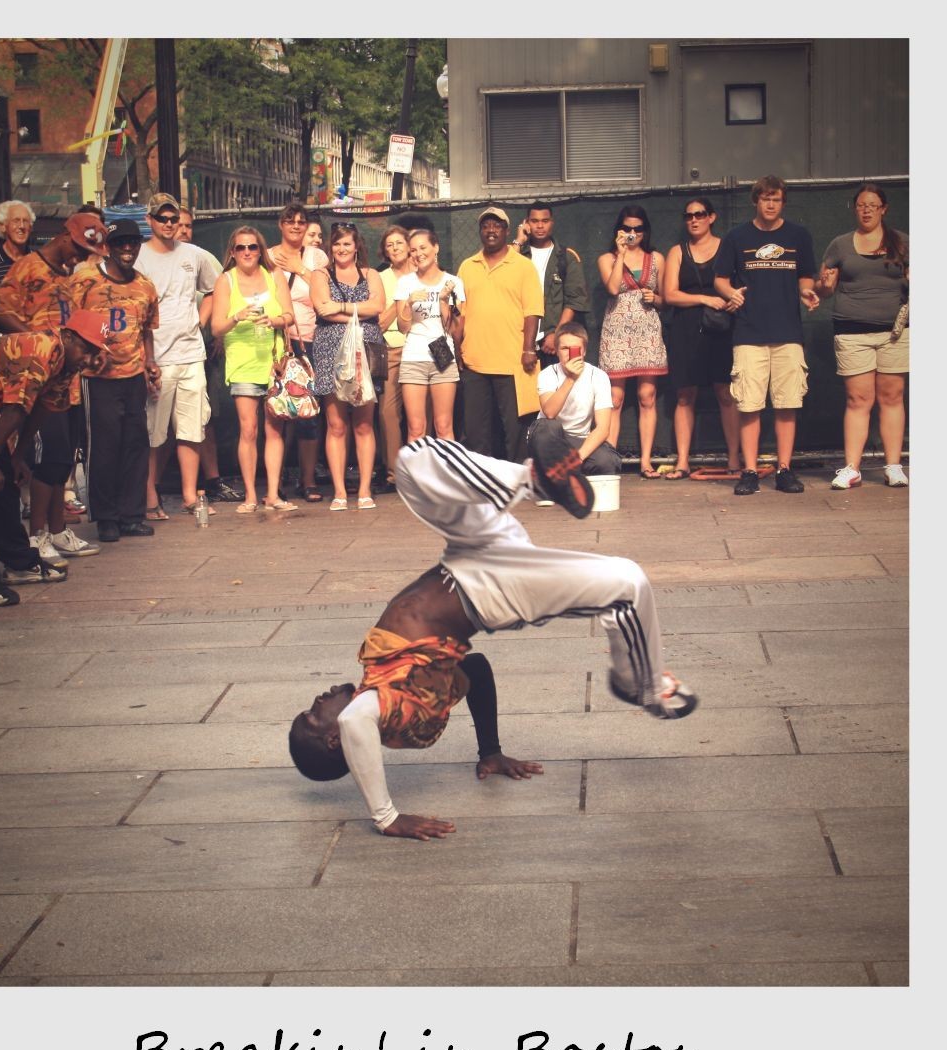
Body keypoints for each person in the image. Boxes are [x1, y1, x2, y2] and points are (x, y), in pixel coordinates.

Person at [288, 434, 697, 840]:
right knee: (627, 581)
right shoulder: (395, 711)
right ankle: (639, 683)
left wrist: (490, 751)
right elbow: (354, 721)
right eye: (312, 713)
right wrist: (386, 816)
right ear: (332, 741)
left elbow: (477, 671)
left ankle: (533, 479)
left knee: (414, 459)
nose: (320, 698)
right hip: (493, 588)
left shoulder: (389, 683)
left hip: (468, 553)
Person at [0, 311, 108, 607]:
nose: (90, 357)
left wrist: (15, 456)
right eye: (86, 348)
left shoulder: (67, 362)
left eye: (95, 351)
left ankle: (18, 562)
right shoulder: (41, 351)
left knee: (5, 489)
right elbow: (14, 408)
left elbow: (42, 408)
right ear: (67, 337)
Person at [0, 212, 110, 563]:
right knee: (48, 456)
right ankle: (37, 534)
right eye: (80, 248)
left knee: (63, 459)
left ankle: (58, 531)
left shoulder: (67, 274)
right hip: (37, 375)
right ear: (65, 237)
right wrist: (36, 338)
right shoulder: (28, 266)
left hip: (65, 377)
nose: (80, 257)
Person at [714, 175, 820, 496]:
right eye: (765, 198)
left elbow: (806, 279)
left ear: (783, 202)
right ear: (755, 201)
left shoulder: (799, 235)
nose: (770, 204)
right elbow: (720, 280)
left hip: (788, 334)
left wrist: (808, 294)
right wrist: (732, 293)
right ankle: (749, 471)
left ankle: (784, 470)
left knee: (787, 404)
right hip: (748, 333)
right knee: (749, 405)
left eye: (776, 199)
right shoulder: (736, 237)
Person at [68, 217, 161, 541]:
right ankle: (105, 517)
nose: (126, 249)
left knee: (135, 445)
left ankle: (131, 515)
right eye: (120, 243)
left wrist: (150, 364)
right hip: (98, 377)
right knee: (103, 448)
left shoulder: (145, 285)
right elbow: (70, 326)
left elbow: (147, 329)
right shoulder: (85, 280)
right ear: (107, 247)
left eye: (132, 243)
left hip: (133, 374)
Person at [816, 183, 909, 489]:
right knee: (859, 399)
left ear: (884, 209)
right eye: (861, 205)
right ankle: (852, 468)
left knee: (892, 397)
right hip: (852, 333)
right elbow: (824, 290)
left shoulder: (904, 244)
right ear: (854, 209)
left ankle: (893, 466)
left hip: (895, 334)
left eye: (873, 205)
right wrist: (826, 285)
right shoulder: (840, 245)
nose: (867, 210)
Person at [136, 192, 220, 516]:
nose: (169, 224)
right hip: (156, 355)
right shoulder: (139, 257)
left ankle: (190, 496)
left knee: (191, 427)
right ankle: (149, 497)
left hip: (190, 354)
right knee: (154, 432)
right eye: (162, 218)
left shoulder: (195, 254)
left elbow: (214, 288)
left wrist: (201, 322)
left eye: (174, 219)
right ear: (150, 221)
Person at [211, 225, 296, 514]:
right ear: (232, 253)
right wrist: (238, 316)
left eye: (252, 247)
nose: (247, 252)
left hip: (274, 361)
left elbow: (289, 315)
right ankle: (250, 495)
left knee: (275, 430)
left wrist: (273, 321)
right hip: (243, 361)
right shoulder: (226, 280)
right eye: (240, 248)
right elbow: (216, 327)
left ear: (260, 250)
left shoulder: (274, 276)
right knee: (248, 429)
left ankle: (272, 494)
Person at [661, 197, 741, 479]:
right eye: (688, 216)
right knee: (685, 395)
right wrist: (705, 299)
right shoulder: (677, 252)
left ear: (712, 217)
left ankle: (734, 460)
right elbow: (669, 294)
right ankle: (682, 461)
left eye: (700, 214)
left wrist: (732, 300)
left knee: (725, 392)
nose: (693, 220)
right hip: (686, 329)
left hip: (721, 329)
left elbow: (740, 285)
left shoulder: (727, 246)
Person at [456, 205, 543, 462]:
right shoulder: (467, 266)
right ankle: (482, 479)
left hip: (513, 361)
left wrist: (529, 349)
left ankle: (519, 477)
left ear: (506, 230)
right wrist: (457, 349)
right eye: (485, 226)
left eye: (496, 225)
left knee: (515, 429)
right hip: (475, 361)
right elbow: (460, 313)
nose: (491, 230)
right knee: (476, 430)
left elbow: (533, 311)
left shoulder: (523, 266)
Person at [310, 222, 385, 512]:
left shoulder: (371, 274)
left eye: (347, 244)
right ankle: (339, 490)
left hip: (365, 352)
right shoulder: (320, 275)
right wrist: (359, 312)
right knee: (336, 424)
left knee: (364, 423)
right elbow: (320, 308)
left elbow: (377, 307)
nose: (342, 249)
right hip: (330, 349)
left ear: (356, 247)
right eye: (337, 244)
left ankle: (365, 488)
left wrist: (341, 309)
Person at [176, 206, 244, 507]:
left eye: (188, 225)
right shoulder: (147, 257)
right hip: (162, 351)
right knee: (163, 423)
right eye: (177, 225)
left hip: (200, 347)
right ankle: (155, 488)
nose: (183, 230)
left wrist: (214, 332)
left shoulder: (201, 256)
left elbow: (221, 292)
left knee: (206, 417)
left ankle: (213, 480)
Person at [597, 204, 668, 478]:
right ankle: (610, 461)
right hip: (616, 331)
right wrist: (621, 255)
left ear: (645, 230)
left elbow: (665, 299)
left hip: (648, 331)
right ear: (619, 229)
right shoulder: (606, 258)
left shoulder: (657, 259)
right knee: (614, 398)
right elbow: (613, 288)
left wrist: (656, 299)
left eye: (638, 229)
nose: (632, 233)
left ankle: (646, 461)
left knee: (647, 396)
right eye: (627, 228)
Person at [268, 202, 330, 502]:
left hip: (312, 342)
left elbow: (326, 291)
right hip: (277, 343)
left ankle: (308, 481)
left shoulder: (316, 256)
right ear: (280, 224)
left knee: (308, 414)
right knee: (276, 413)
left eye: (300, 221)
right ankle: (274, 482)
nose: (295, 226)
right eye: (289, 221)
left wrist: (298, 269)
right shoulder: (267, 256)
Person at [530, 322, 621, 491]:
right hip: (551, 439)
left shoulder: (598, 376)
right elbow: (549, 413)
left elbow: (602, 428)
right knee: (547, 426)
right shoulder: (547, 374)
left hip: (580, 440)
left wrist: (577, 459)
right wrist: (571, 378)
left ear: (584, 351)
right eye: (564, 348)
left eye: (575, 348)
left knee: (607, 461)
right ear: (556, 351)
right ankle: (545, 483)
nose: (569, 354)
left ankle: (570, 477)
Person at [395, 228, 464, 443]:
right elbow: (402, 326)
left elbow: (456, 331)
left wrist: (444, 302)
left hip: (443, 355)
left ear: (436, 248)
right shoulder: (406, 282)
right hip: (414, 356)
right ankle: (416, 476)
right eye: (413, 250)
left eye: (423, 247)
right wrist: (408, 303)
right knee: (416, 428)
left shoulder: (453, 282)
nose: (418, 254)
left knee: (443, 426)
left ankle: (445, 474)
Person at [512, 200, 590, 368]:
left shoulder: (566, 257)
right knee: (525, 393)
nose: (540, 226)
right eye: (534, 221)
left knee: (554, 391)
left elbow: (574, 300)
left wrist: (556, 334)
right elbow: (504, 273)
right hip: (520, 339)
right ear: (526, 223)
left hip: (552, 341)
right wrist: (519, 240)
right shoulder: (518, 255)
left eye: (545, 221)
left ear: (552, 223)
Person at [375, 225, 412, 489]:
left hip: (423, 350)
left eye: (399, 242)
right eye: (390, 245)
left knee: (423, 415)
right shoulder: (380, 278)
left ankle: (421, 473)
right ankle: (393, 473)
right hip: (391, 349)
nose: (395, 248)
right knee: (388, 412)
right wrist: (401, 299)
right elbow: (378, 322)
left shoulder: (425, 274)